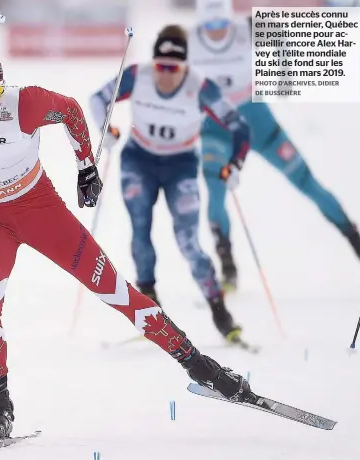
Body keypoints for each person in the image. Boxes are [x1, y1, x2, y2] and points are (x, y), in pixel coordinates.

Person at [0, 48, 252, 442]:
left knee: (116, 292)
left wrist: (86, 168)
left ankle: (202, 368)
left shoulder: (23, 104)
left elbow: (70, 110)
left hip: (40, 212)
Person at [189, 0, 360, 290]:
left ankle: (358, 244)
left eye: (222, 24)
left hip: (257, 121)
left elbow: (291, 39)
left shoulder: (246, 27)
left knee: (305, 180)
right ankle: (228, 263)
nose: (217, 33)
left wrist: (285, 74)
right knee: (216, 188)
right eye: (210, 26)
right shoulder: (187, 42)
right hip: (216, 128)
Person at [89, 25, 250, 340]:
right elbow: (98, 100)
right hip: (140, 161)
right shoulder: (138, 75)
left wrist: (236, 165)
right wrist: (105, 131)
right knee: (140, 229)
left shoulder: (200, 86)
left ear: (185, 67)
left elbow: (239, 126)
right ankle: (150, 305)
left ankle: (221, 314)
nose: (164, 75)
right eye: (160, 66)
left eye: (172, 68)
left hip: (181, 166)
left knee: (189, 242)